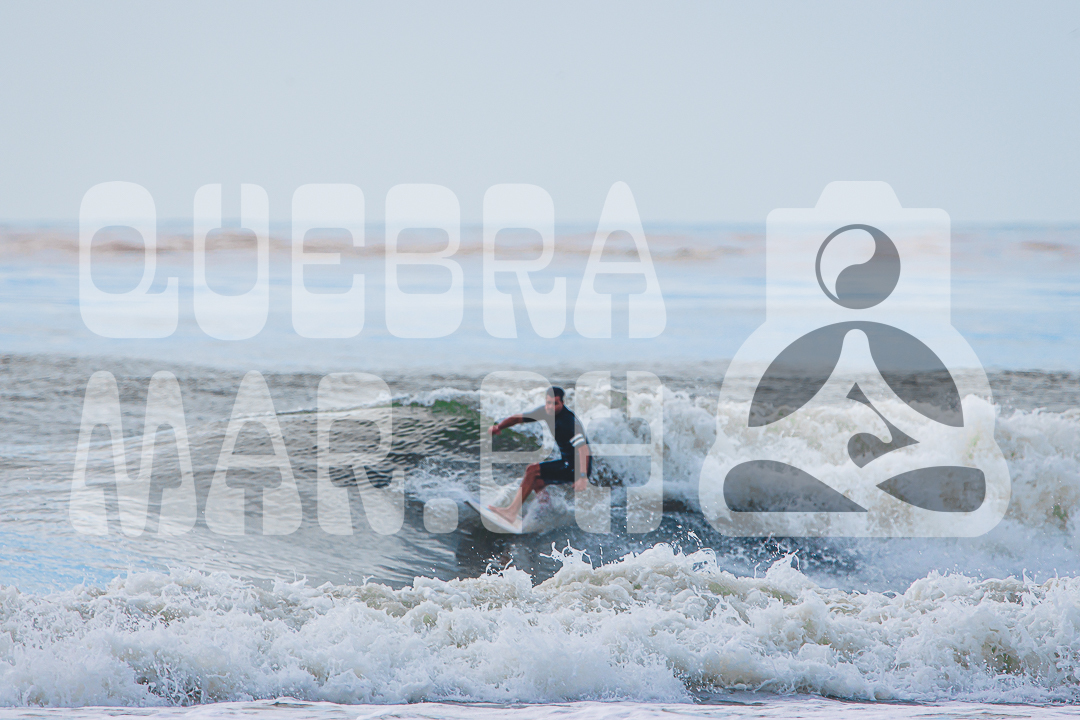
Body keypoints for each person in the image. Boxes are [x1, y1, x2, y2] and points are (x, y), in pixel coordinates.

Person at [487, 386, 591, 523]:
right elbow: (517, 418)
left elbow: (583, 449)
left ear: (562, 403)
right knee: (537, 482)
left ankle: (511, 512)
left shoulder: (568, 422)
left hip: (577, 467)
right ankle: (546, 512)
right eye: (548, 403)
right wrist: (499, 427)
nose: (551, 407)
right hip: (567, 461)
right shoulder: (545, 412)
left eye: (555, 403)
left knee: (532, 470)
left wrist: (582, 477)